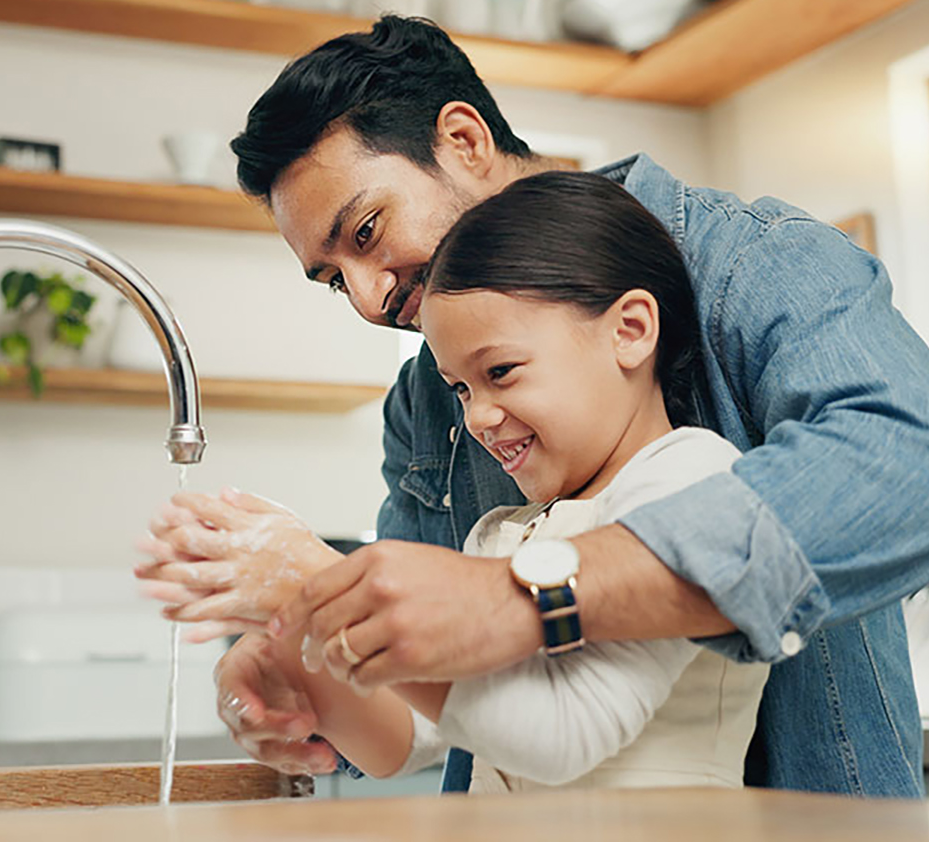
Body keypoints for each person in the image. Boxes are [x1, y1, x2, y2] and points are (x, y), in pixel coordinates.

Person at [142, 15, 929, 797]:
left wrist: (521, 599)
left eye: (365, 233)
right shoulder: (425, 403)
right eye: (332, 279)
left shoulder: (753, 265)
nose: (365, 300)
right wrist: (309, 663)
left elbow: (917, 473)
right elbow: (418, 703)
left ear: (465, 141)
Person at [142, 170, 771, 793]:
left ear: (629, 331)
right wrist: (302, 657)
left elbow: (568, 733)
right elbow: (408, 739)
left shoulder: (691, 476)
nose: (477, 416)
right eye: (461, 388)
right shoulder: (499, 537)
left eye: (500, 370)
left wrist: (313, 584)